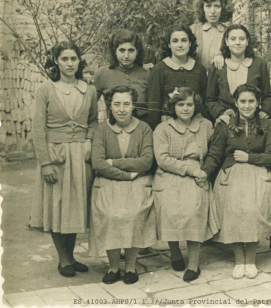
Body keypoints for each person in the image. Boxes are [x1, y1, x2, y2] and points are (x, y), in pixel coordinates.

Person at [30, 41, 97, 277]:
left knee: (75, 206)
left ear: (80, 62)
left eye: (73, 59)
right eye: (64, 59)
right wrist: (45, 162)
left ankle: (72, 256)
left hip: (81, 155)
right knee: (57, 205)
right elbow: (38, 128)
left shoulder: (89, 89)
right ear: (56, 62)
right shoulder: (46, 90)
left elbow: (93, 121)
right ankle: (64, 259)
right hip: (56, 155)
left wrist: (89, 141)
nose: (69, 63)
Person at [201, 84, 271, 279]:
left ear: (258, 103)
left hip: (258, 172)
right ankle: (239, 260)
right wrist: (204, 172)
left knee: (253, 209)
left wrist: (250, 158)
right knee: (234, 210)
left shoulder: (267, 124)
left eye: (251, 101)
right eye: (242, 101)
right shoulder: (225, 124)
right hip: (232, 173)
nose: (247, 106)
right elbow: (215, 153)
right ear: (235, 103)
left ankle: (251, 259)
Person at [90, 85, 156, 285]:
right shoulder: (102, 130)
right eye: (116, 104)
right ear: (109, 106)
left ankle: (130, 266)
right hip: (110, 181)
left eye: (126, 104)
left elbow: (146, 161)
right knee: (110, 214)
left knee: (133, 213)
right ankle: (113, 266)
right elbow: (99, 163)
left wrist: (115, 162)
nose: (121, 109)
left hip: (138, 181)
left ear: (133, 105)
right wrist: (126, 175)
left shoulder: (144, 128)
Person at [152, 87, 218, 282]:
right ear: (173, 107)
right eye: (180, 105)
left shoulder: (205, 125)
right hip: (170, 173)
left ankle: (194, 264)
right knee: (169, 206)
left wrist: (204, 171)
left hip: (198, 173)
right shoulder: (163, 129)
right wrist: (190, 170)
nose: (186, 109)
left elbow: (214, 151)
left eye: (189, 104)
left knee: (193, 208)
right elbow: (162, 159)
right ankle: (174, 252)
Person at [205, 24, 271, 124]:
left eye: (242, 39)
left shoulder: (259, 64)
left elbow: (267, 95)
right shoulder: (218, 66)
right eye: (233, 39)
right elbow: (210, 99)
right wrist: (221, 113)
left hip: (253, 119)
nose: (237, 43)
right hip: (226, 120)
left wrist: (264, 111)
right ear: (227, 42)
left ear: (247, 41)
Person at [147, 24, 208, 129]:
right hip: (167, 127)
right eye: (175, 41)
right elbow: (154, 107)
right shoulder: (159, 69)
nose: (180, 45)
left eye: (184, 40)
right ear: (169, 44)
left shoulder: (199, 69)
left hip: (195, 125)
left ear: (190, 43)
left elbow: (205, 102)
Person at [93, 29, 150, 122]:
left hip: (143, 129)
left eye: (131, 50)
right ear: (115, 51)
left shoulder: (147, 73)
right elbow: (90, 106)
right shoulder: (102, 73)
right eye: (122, 50)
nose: (126, 55)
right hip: (113, 128)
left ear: (137, 51)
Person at [190, 0, 233, 69]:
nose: (212, 11)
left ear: (223, 9)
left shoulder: (229, 32)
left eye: (217, 6)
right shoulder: (192, 30)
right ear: (202, 8)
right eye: (208, 6)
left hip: (219, 79)